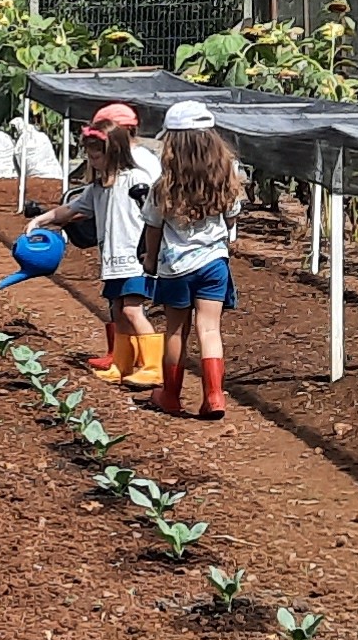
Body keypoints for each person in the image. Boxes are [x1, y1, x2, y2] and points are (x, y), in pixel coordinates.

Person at [31, 105, 159, 387]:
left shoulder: (135, 180)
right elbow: (72, 209)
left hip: (133, 259)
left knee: (132, 311)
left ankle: (153, 366)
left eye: (96, 154)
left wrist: (151, 251)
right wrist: (41, 220)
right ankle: (122, 365)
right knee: (117, 312)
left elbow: (153, 215)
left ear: (113, 151)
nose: (92, 160)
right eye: (89, 155)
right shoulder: (99, 188)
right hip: (113, 260)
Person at [148, 104, 248, 419]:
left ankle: (171, 395)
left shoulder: (164, 184)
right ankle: (214, 396)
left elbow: (153, 227)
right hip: (214, 264)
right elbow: (231, 220)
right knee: (209, 329)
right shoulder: (225, 178)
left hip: (176, 267)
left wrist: (150, 260)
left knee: (176, 330)